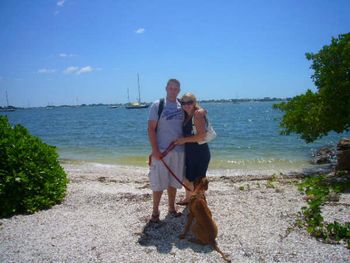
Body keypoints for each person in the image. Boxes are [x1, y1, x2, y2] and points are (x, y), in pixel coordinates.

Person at [147, 79, 185, 223]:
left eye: (176, 89)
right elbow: (150, 128)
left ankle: (171, 208)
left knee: (173, 182)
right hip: (161, 151)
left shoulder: (182, 105)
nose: (173, 91)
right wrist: (154, 150)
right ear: (166, 88)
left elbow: (195, 110)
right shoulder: (158, 105)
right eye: (171, 88)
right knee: (158, 183)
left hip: (179, 151)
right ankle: (155, 212)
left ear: (179, 90)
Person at [174, 92, 211, 205]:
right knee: (188, 178)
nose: (186, 105)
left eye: (189, 102)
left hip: (200, 153)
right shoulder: (186, 114)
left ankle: (200, 205)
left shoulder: (197, 115)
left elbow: (201, 136)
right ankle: (189, 198)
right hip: (190, 152)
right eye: (183, 102)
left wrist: (183, 140)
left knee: (199, 181)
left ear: (194, 102)